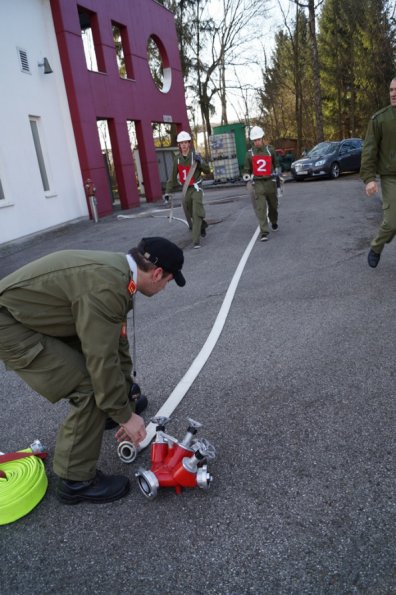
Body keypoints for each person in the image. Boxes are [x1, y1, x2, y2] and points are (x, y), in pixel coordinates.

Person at [0, 237, 185, 504]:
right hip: (10, 325)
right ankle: (75, 480)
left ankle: (105, 413)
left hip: (29, 316)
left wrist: (125, 399)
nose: (165, 288)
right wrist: (125, 416)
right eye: (168, 281)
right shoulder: (108, 288)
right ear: (157, 273)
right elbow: (100, 360)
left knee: (104, 385)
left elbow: (114, 345)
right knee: (87, 387)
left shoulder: (118, 274)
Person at [360, 76, 396, 268]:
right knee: (392, 222)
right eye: (391, 90)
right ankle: (376, 247)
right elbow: (369, 150)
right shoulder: (380, 119)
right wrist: (369, 178)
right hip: (391, 177)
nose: (393, 93)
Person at [164, 130, 211, 249]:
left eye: (186, 142)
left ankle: (196, 241)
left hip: (196, 189)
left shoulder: (195, 156)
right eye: (181, 143)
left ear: (189, 143)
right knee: (189, 213)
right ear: (179, 145)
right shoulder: (177, 160)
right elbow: (172, 177)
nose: (184, 145)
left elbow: (207, 171)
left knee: (196, 212)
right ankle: (202, 225)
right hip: (185, 190)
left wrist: (200, 162)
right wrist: (168, 192)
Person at [243, 126, 280, 241]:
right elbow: (246, 170)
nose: (257, 142)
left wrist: (278, 171)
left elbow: (277, 164)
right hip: (258, 183)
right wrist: (246, 176)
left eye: (258, 139)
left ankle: (274, 221)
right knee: (261, 208)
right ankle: (264, 231)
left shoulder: (270, 150)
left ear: (262, 138)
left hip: (270, 182)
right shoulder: (249, 154)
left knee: (273, 206)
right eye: (254, 140)